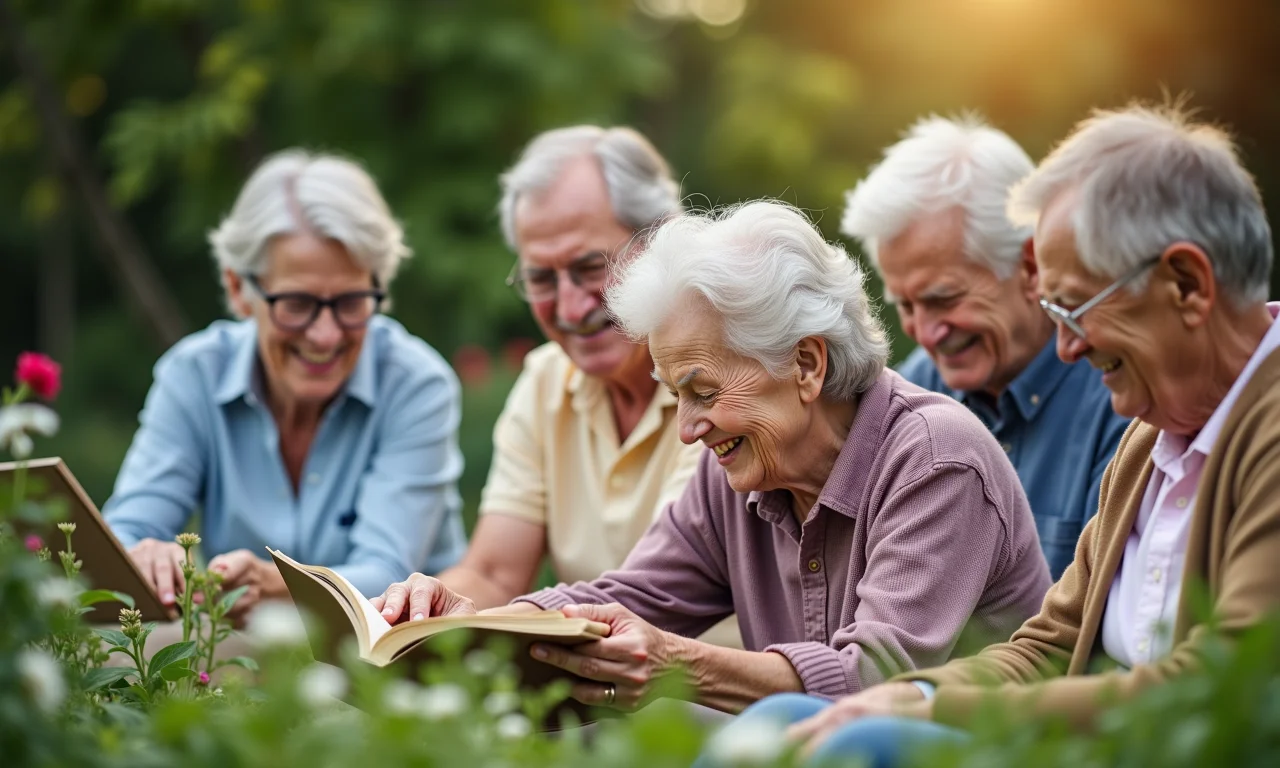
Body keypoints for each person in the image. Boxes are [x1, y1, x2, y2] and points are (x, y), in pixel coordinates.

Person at [718, 103, 1280, 768]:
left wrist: (929, 708)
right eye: (1055, 312)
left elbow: (1222, 682)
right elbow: (1049, 642)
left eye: (1078, 308)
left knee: (863, 744)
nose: (1066, 347)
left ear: (1186, 285)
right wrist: (915, 691)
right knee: (788, 718)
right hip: (1088, 739)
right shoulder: (1152, 440)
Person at [372, 201, 1052, 714]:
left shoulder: (935, 459)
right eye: (676, 396)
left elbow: (880, 681)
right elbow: (627, 598)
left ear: (807, 364)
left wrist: (679, 663)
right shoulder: (739, 471)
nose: (689, 429)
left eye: (703, 391)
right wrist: (469, 627)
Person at [104, 150, 467, 622]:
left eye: (351, 302)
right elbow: (124, 532)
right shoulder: (193, 374)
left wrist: (267, 581)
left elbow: (387, 570)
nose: (326, 334)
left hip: (396, 660)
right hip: (246, 662)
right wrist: (147, 554)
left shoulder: (417, 384)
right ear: (239, 289)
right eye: (296, 303)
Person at [428, 126, 739, 645]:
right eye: (542, 280)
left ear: (664, 240)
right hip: (597, 687)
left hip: (713, 699)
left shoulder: (722, 375)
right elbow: (493, 574)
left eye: (592, 267)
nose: (570, 308)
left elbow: (657, 589)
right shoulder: (547, 380)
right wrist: (423, 609)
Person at [842, 115, 1130, 579]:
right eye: (905, 305)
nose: (926, 332)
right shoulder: (906, 398)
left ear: (1031, 264)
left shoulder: (1123, 397)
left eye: (943, 298)